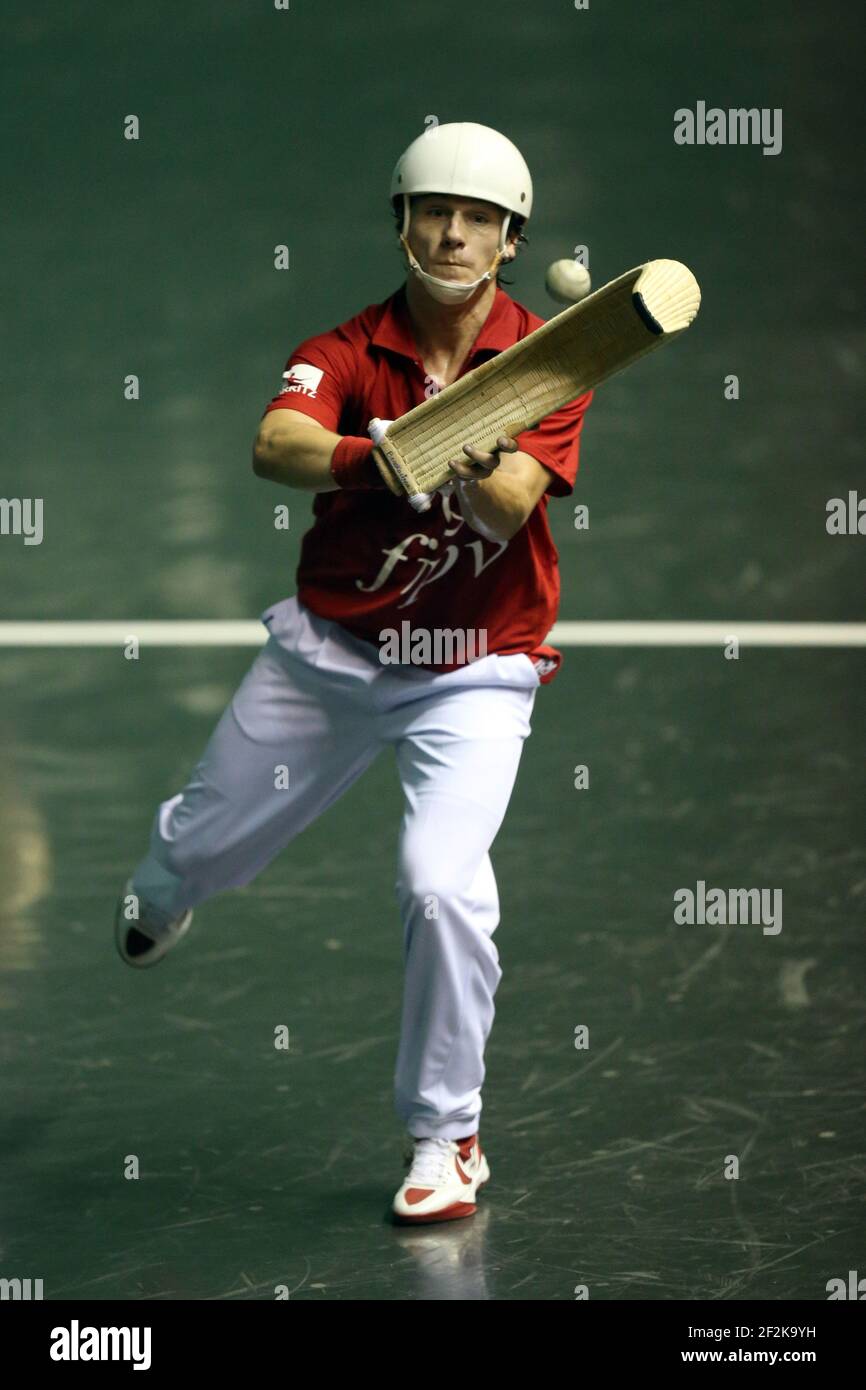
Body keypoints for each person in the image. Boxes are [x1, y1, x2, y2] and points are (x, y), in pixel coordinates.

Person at [115, 122, 592, 1225]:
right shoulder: (343, 348)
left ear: (510, 240)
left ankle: (446, 1135)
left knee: (442, 881)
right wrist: (373, 452)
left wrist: (470, 451)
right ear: (401, 223)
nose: (453, 231)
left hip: (471, 671)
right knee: (181, 855)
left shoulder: (548, 361)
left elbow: (511, 502)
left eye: (479, 218)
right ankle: (170, 884)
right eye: (434, 210)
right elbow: (273, 440)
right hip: (329, 655)